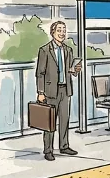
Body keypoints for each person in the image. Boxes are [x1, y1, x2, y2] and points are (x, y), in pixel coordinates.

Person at [34, 21, 81, 160]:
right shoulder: (44, 50)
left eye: (64, 30)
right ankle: (48, 150)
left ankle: (64, 146)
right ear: (53, 32)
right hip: (50, 91)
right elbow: (40, 73)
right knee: (49, 122)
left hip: (65, 90)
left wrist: (75, 70)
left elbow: (71, 70)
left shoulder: (68, 50)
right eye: (59, 30)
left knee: (65, 120)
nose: (62, 33)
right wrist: (41, 92)